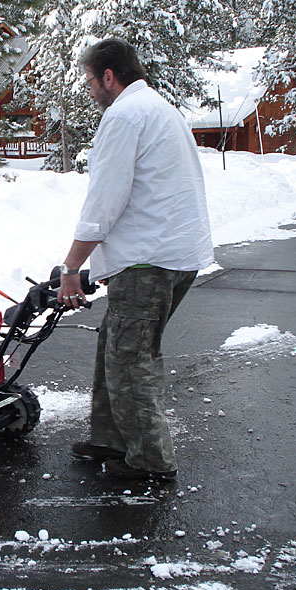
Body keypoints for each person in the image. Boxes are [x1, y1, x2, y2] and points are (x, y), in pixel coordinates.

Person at [56, 38, 214, 481]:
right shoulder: (160, 108)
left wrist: (72, 268)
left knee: (131, 359)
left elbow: (104, 201)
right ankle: (109, 437)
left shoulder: (123, 115)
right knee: (116, 344)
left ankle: (148, 460)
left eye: (90, 80)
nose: (89, 90)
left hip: (148, 261)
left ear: (109, 76)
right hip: (173, 254)